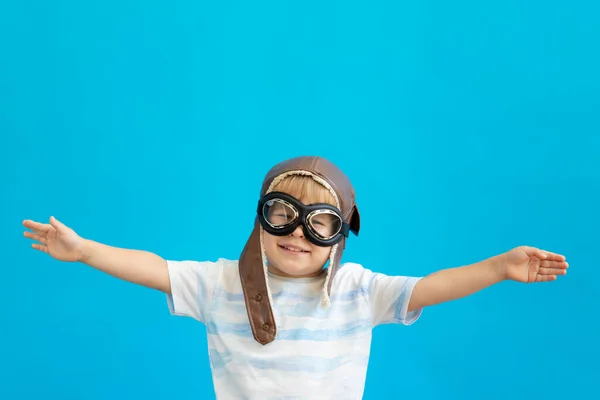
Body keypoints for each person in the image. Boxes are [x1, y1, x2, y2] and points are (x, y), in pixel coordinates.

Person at [22, 156, 568, 399]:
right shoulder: (220, 284)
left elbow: (429, 287)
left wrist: (498, 268)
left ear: (338, 239)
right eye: (282, 215)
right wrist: (87, 250)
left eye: (319, 225)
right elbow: (155, 269)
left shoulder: (356, 291)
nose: (297, 235)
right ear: (261, 219)